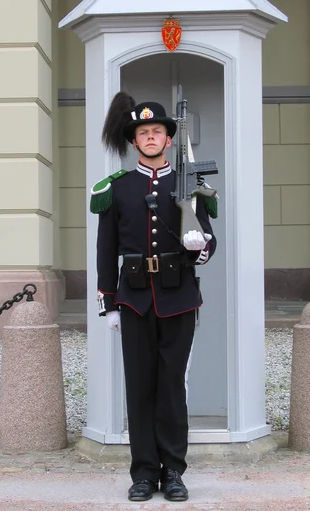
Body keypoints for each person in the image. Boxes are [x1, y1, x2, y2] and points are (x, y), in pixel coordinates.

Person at [90, 92, 217, 503]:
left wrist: (199, 243)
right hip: (134, 300)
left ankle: (174, 470)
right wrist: (108, 302)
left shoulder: (191, 186)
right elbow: (105, 250)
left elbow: (210, 245)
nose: (149, 137)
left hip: (179, 296)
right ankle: (144, 471)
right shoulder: (118, 188)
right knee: (139, 386)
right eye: (142, 132)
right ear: (133, 142)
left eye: (156, 131)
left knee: (172, 388)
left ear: (167, 138)